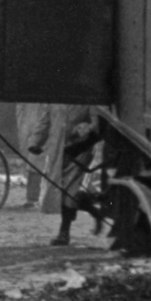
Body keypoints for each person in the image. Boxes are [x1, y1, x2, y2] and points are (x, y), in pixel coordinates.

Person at [28, 103, 103, 246]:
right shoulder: (56, 98)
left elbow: (97, 124)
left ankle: (64, 233)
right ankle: (94, 212)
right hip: (57, 151)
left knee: (69, 189)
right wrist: (35, 142)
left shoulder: (86, 97)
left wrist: (83, 129)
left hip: (79, 150)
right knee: (63, 190)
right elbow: (45, 121)